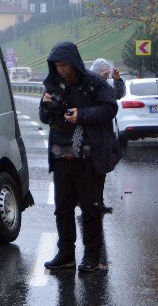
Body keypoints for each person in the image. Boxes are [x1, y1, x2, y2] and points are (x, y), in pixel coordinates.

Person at [39, 42, 119, 273]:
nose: (61, 69)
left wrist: (81, 115)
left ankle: (92, 256)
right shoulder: (53, 85)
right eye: (57, 65)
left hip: (89, 158)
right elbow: (45, 117)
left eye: (64, 64)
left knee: (90, 208)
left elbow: (109, 108)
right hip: (61, 156)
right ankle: (65, 256)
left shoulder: (94, 83)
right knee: (63, 209)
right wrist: (46, 107)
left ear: (74, 62)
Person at [89, 57, 124, 213]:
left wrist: (117, 81)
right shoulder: (88, 85)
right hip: (93, 132)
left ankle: (98, 202)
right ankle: (90, 203)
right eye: (106, 75)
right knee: (93, 169)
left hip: (104, 132)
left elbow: (117, 94)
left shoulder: (104, 85)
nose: (107, 78)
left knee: (102, 167)